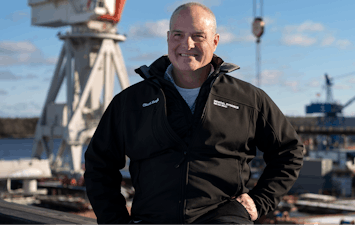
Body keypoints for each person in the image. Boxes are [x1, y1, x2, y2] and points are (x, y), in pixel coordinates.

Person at [84, 2, 304, 224]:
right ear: (168, 38)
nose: (187, 44)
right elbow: (99, 164)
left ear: (215, 41)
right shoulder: (131, 102)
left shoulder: (247, 99)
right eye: (178, 35)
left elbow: (289, 151)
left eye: (198, 36)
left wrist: (260, 201)